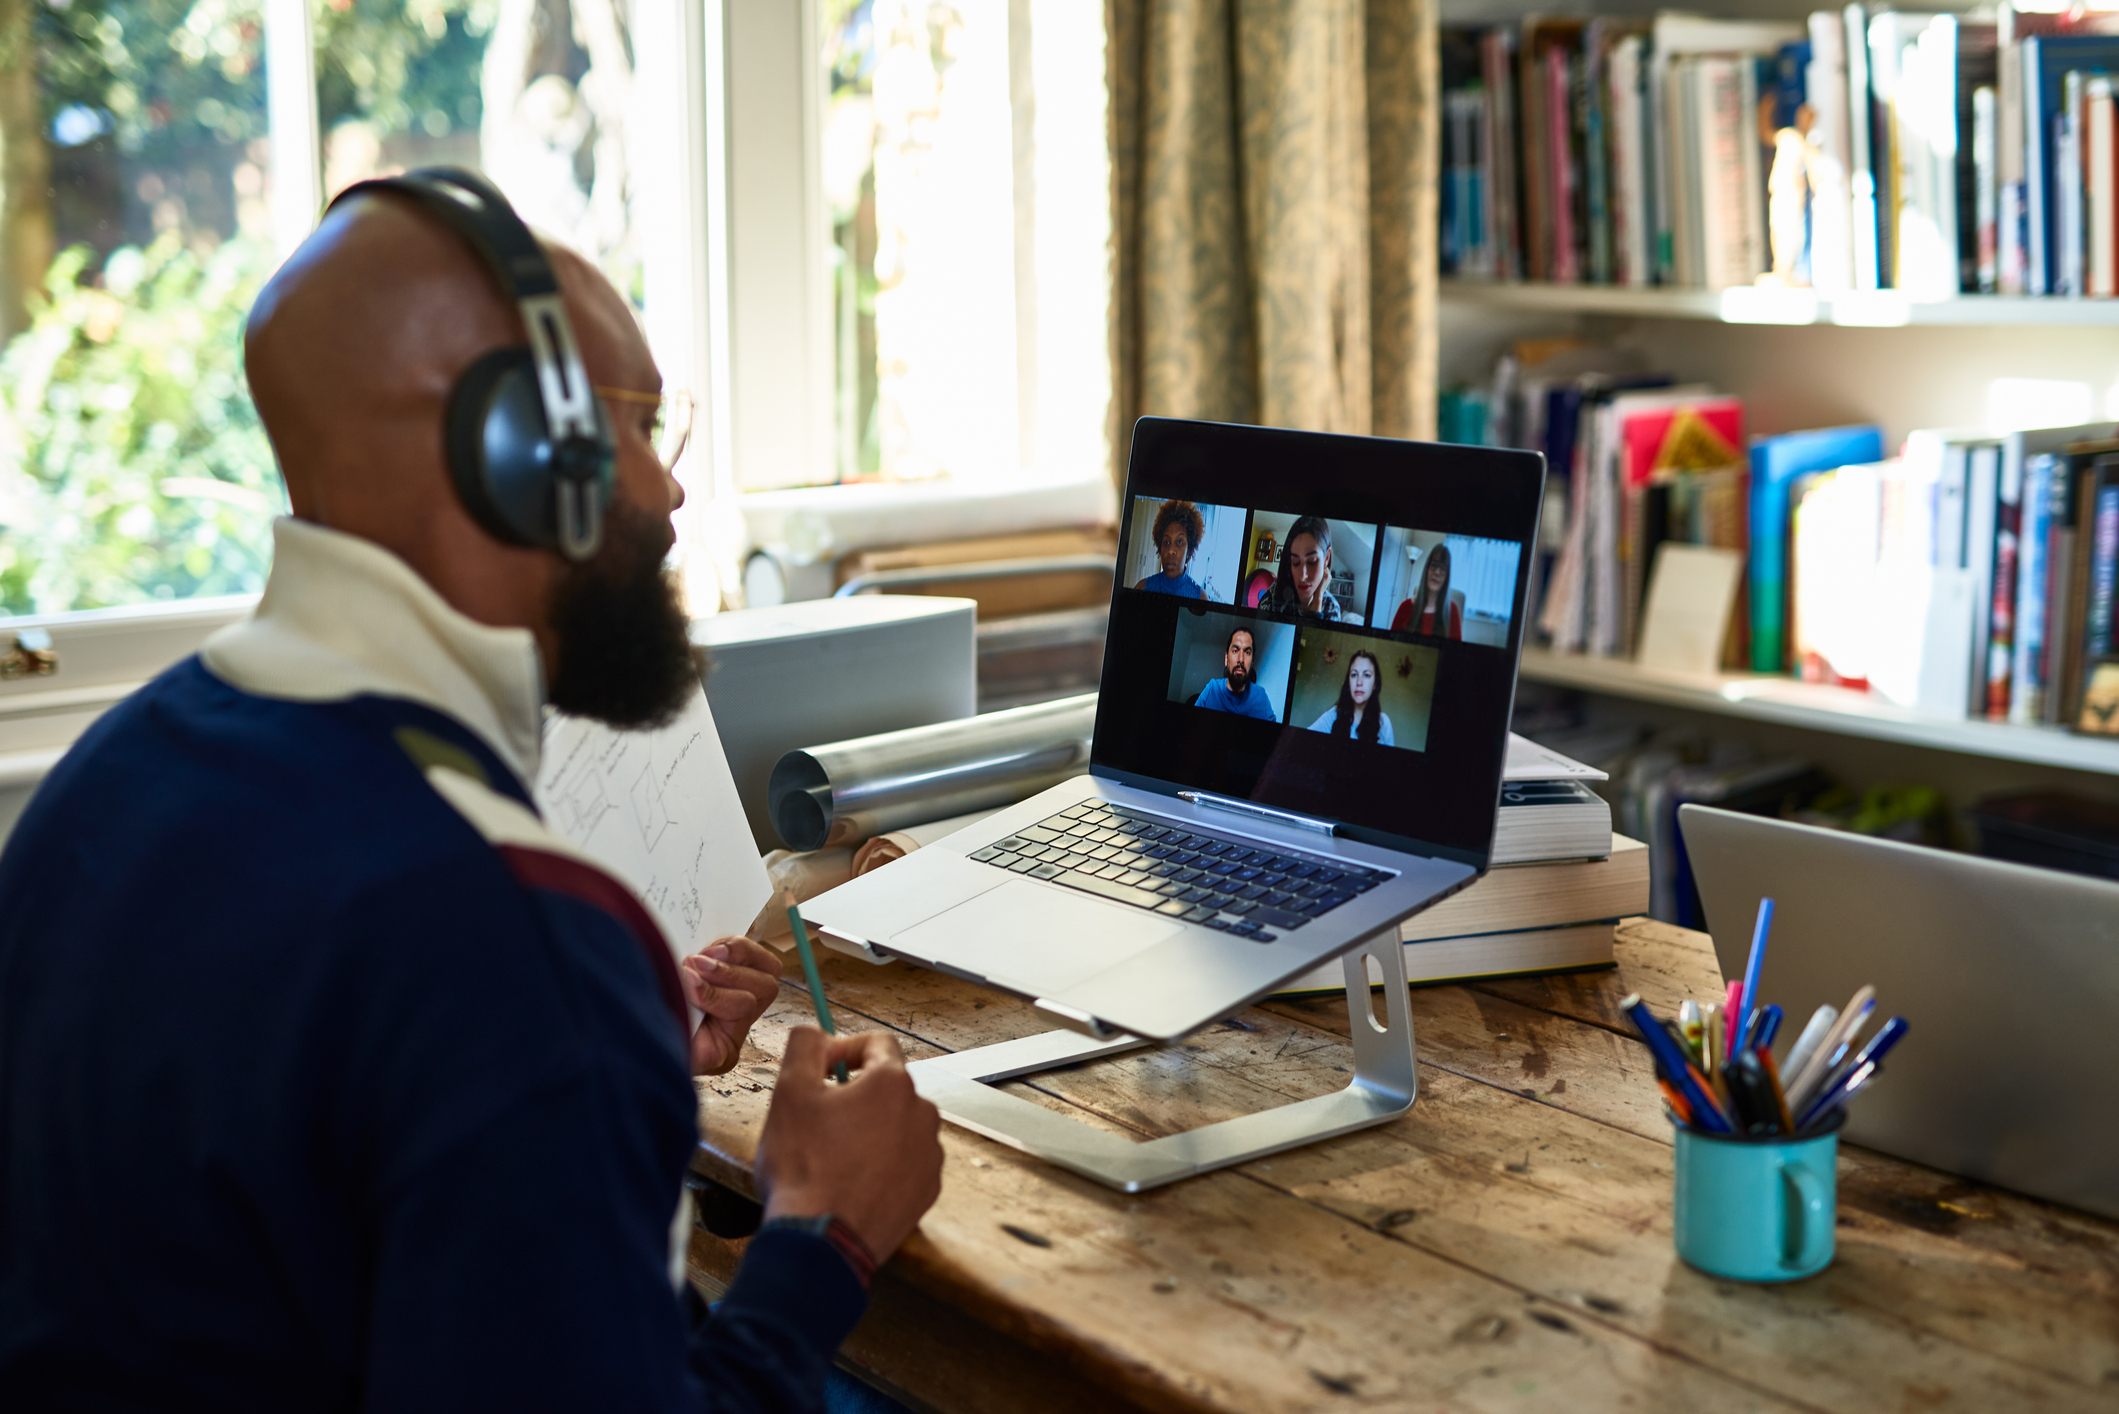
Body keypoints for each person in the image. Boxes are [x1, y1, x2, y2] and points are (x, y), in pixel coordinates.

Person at [0, 174, 943, 1411]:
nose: (667, 496)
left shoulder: (110, 781)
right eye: (637, 428)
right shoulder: (514, 927)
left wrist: (582, 1067)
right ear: (511, 452)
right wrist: (827, 1236)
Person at [1264, 515, 1349, 620]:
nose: (1302, 576)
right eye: (1295, 562)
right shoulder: (1274, 594)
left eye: (1312, 561)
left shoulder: (1331, 608)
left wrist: (1317, 600)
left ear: (1326, 558)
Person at [1306, 649, 1395, 746]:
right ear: (1349, 682)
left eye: (1366, 675)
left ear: (1375, 684)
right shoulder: (1334, 715)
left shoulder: (1383, 723)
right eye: (1354, 675)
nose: (1359, 682)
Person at [1193, 624, 1279, 721]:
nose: (1241, 659)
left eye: (1247, 652)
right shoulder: (1212, 689)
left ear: (1252, 663)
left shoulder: (1261, 695)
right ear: (1226, 659)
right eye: (1235, 650)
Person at [1135, 499, 1207, 597]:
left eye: (1179, 542)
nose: (1171, 551)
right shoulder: (1142, 587)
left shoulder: (1200, 597)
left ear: (1188, 552)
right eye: (1167, 542)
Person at [1391, 542, 1462, 639]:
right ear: (1426, 570)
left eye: (1442, 568)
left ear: (1446, 576)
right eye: (1434, 565)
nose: (1437, 572)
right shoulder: (1405, 607)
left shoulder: (1452, 611)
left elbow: (1455, 652)